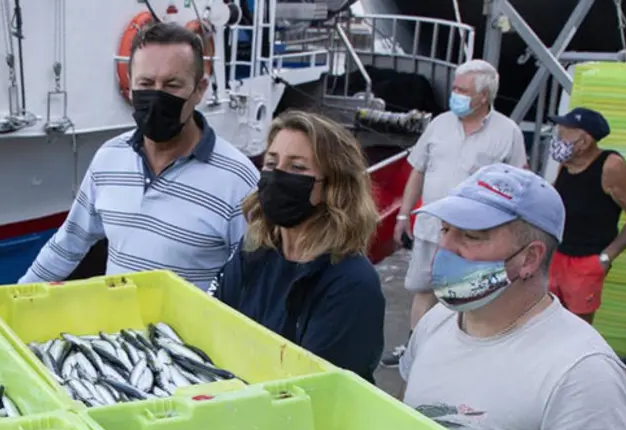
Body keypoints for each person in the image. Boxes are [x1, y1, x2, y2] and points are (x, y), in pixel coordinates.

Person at [401, 164, 626, 430]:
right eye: (445, 230)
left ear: (529, 258)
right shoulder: (438, 321)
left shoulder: (582, 373)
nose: (445, 248)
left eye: (471, 236)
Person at [19, 21, 258, 288]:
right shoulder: (109, 158)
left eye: (171, 85)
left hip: (181, 332)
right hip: (115, 329)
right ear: (130, 86)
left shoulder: (238, 180)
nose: (156, 95)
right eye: (146, 83)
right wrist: (14, 298)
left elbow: (254, 279)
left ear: (199, 89)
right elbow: (69, 243)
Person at [208, 111, 384, 381]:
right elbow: (214, 325)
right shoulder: (253, 251)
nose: (277, 176)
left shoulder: (351, 283)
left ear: (332, 187)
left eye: (297, 168)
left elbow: (319, 388)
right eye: (271, 162)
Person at [385, 59, 528, 366]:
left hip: (474, 236)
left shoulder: (508, 132)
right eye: (454, 88)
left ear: (483, 96)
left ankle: (455, 355)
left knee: (466, 295)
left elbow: (518, 183)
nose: (455, 94)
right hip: (430, 227)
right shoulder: (439, 124)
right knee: (423, 289)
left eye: (462, 90)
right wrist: (402, 216)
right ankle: (414, 350)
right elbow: (417, 171)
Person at [549, 107, 626, 322]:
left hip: (586, 261)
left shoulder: (611, 166)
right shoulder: (566, 165)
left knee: (576, 327)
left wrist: (606, 257)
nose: (557, 136)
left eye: (564, 132)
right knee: (547, 319)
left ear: (584, 142)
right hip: (557, 255)